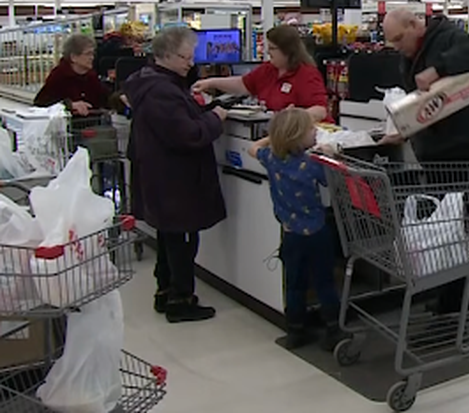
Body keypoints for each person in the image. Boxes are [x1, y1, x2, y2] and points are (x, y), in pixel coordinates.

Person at [380, 9, 469, 318]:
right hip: (434, 152)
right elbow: (426, 106)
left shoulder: (447, 38)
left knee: (449, 228)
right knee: (443, 228)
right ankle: (453, 296)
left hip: (461, 149)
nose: (396, 47)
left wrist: (439, 68)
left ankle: (455, 302)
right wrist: (404, 129)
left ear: (415, 24)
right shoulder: (412, 54)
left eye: (399, 38)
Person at [124, 27, 229, 324]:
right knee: (183, 240)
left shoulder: (150, 82)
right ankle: (180, 301)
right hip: (176, 179)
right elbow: (188, 134)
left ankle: (165, 291)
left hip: (161, 175)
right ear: (166, 56)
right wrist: (214, 118)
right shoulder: (162, 91)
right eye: (185, 57)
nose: (190, 63)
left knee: (169, 236)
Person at [248, 108, 343, 351]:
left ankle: (295, 330)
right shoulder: (312, 164)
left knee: (294, 284)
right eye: (311, 129)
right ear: (298, 137)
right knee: (324, 282)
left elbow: (252, 148)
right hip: (317, 233)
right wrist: (330, 154)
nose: (315, 132)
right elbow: (333, 180)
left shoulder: (271, 158)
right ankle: (333, 330)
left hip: (290, 234)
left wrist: (273, 137)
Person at [192, 25, 331, 122]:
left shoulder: (307, 75)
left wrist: (292, 118)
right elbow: (243, 84)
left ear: (288, 51)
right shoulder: (268, 69)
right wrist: (210, 83)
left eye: (272, 48)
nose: (268, 52)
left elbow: (320, 110)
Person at [34, 34, 111, 115]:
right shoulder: (59, 76)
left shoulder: (91, 76)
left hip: (92, 120)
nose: (92, 57)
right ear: (73, 57)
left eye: (92, 54)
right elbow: (40, 104)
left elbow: (105, 98)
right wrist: (69, 105)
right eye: (88, 54)